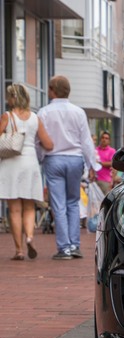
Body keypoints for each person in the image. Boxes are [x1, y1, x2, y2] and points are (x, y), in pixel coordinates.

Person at [37, 75, 97, 260]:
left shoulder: (44, 112)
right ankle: (75, 244)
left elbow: (39, 141)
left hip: (54, 160)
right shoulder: (78, 112)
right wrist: (92, 164)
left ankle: (64, 248)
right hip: (75, 159)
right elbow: (86, 141)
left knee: (58, 205)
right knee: (73, 202)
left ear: (52, 90)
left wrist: (40, 159)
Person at [0, 83, 54, 260]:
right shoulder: (35, 118)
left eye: (9, 96)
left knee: (15, 209)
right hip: (30, 163)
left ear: (14, 97)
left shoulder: (7, 116)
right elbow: (48, 144)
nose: (7, 100)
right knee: (29, 207)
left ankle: (19, 250)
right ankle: (30, 236)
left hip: (11, 164)